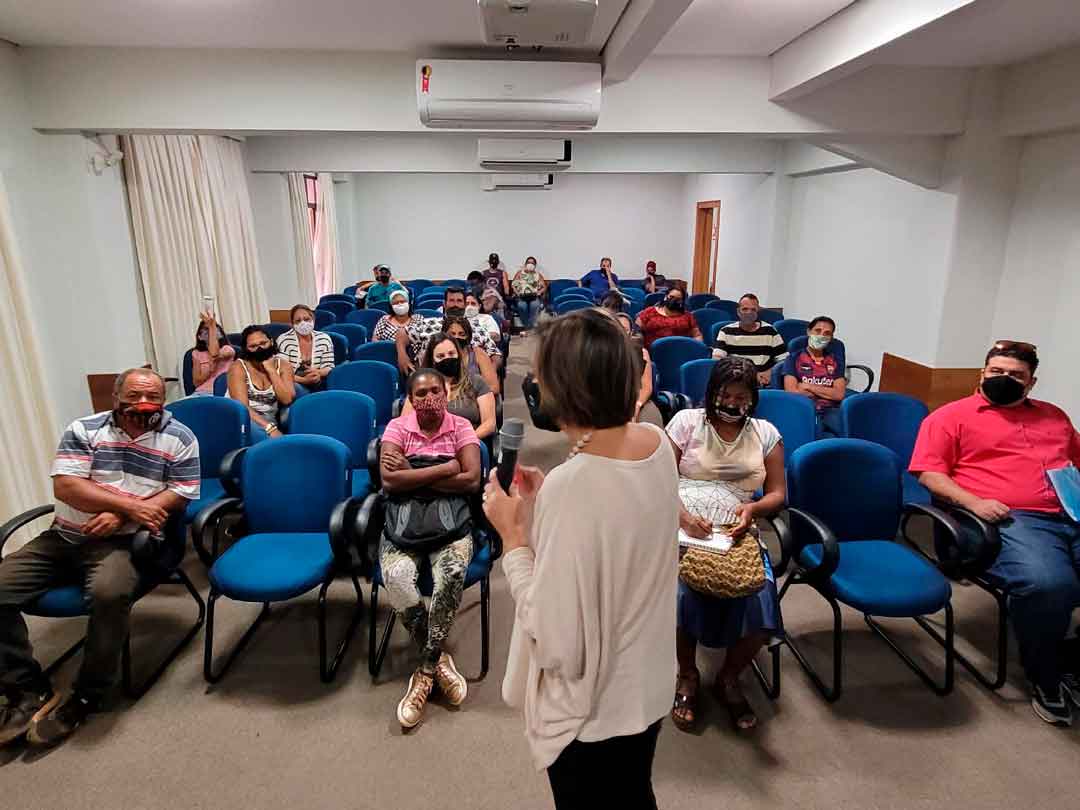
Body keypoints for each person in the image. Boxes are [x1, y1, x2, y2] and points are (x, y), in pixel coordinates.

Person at [482, 309, 678, 809]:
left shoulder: (576, 485)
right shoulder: (656, 443)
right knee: (635, 794)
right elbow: (616, 530)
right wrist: (546, 499)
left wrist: (513, 538)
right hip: (648, 685)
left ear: (565, 390)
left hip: (598, 712)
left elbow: (554, 639)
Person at [0, 369, 199, 747]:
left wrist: (123, 516)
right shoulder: (84, 430)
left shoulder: (180, 437)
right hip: (63, 537)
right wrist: (129, 505)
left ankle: (89, 692)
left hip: (124, 543)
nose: (144, 404)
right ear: (116, 396)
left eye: (153, 396)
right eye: (136, 396)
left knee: (110, 593)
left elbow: (180, 493)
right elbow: (67, 486)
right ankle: (26, 688)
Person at [909, 341, 1080, 726]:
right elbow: (928, 473)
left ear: (1031, 383)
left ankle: (1070, 654)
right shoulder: (951, 417)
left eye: (1015, 375)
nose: (1004, 379)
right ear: (981, 374)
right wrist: (973, 502)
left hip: (1070, 513)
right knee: (1049, 583)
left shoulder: (1055, 417)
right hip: (1005, 518)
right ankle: (1046, 674)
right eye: (996, 372)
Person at [665, 357, 786, 733]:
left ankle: (729, 677)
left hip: (735, 527)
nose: (733, 403)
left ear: (753, 399)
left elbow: (778, 494)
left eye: (742, 397)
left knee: (761, 596)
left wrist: (753, 509)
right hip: (683, 522)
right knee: (684, 594)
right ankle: (687, 674)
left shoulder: (766, 433)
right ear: (712, 393)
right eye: (726, 395)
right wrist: (683, 517)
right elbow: (658, 480)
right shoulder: (686, 422)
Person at [379, 368, 482, 729]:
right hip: (402, 526)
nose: (428, 398)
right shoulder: (397, 428)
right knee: (397, 577)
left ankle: (424, 671)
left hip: (450, 526)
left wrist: (414, 472)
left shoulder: (461, 427)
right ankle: (439, 660)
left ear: (447, 390)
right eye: (420, 393)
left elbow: (471, 481)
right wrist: (447, 466)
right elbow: (389, 480)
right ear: (411, 398)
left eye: (435, 390)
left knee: (452, 573)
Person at [400, 333, 497, 443]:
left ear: (458, 355)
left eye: (451, 354)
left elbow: (489, 423)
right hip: (426, 445)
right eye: (440, 356)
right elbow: (405, 421)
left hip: (467, 443)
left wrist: (464, 441)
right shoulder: (420, 385)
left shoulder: (476, 382)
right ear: (432, 360)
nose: (447, 359)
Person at [395, 287, 502, 377]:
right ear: (444, 304)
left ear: (465, 305)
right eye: (451, 301)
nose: (455, 305)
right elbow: (402, 334)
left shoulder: (477, 329)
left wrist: (489, 373)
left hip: (469, 381)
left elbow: (495, 354)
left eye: (459, 301)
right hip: (430, 378)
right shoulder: (427, 324)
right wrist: (402, 355)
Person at [228, 325, 295, 442]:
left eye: (263, 343)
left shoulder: (284, 365)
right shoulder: (238, 367)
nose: (260, 349)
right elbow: (242, 407)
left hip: (270, 419)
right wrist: (269, 428)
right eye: (253, 346)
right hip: (245, 418)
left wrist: (271, 371)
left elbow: (287, 399)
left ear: (271, 342)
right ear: (245, 348)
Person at [781, 316, 845, 437]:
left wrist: (808, 386)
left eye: (827, 333)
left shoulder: (835, 360)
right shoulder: (793, 358)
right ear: (809, 331)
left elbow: (839, 394)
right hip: (805, 408)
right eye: (817, 331)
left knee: (849, 433)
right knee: (815, 436)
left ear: (831, 338)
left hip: (830, 410)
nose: (821, 335)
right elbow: (791, 392)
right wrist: (827, 391)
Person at [713, 293, 787, 387]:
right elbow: (717, 361)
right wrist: (746, 375)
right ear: (738, 312)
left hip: (764, 383)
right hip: (736, 381)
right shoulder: (726, 331)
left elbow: (784, 359)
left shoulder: (770, 331)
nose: (749, 313)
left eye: (753, 310)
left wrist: (771, 372)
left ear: (758, 312)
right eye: (745, 309)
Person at [614, 312, 663, 428]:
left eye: (625, 329)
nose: (621, 332)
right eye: (617, 328)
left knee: (651, 419)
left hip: (637, 398)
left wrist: (637, 405)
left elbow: (646, 386)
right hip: (610, 400)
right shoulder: (599, 353)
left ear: (631, 333)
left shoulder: (641, 353)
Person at [276, 304, 335, 391]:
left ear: (313, 320)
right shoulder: (284, 339)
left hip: (318, 379)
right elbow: (280, 370)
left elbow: (329, 366)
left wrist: (318, 372)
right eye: (298, 321)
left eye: (307, 319)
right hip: (293, 381)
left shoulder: (324, 338)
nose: (303, 323)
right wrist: (304, 380)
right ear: (292, 324)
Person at [443, 315, 500, 394]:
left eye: (461, 334)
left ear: (468, 337)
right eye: (452, 334)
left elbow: (493, 387)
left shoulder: (478, 354)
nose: (456, 337)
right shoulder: (436, 353)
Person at [635, 286, 703, 350]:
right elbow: (636, 331)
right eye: (671, 297)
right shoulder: (649, 312)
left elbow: (697, 335)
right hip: (653, 352)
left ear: (682, 301)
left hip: (681, 351)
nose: (674, 300)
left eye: (678, 299)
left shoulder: (687, 316)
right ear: (665, 297)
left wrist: (697, 348)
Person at [190, 310, 235, 394]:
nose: (210, 332)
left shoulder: (227, 349)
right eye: (206, 329)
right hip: (201, 392)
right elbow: (196, 382)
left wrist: (212, 326)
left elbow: (214, 354)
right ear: (199, 337)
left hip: (222, 392)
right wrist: (210, 370)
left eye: (213, 329)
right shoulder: (196, 353)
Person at [512, 256, 546, 330]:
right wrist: (517, 293)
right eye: (529, 262)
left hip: (534, 296)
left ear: (535, 265)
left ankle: (529, 327)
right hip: (521, 296)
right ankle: (528, 327)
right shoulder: (519, 273)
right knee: (522, 306)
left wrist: (539, 292)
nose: (530, 264)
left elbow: (544, 287)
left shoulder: (538, 275)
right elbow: (513, 285)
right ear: (525, 264)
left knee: (535, 305)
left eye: (532, 263)